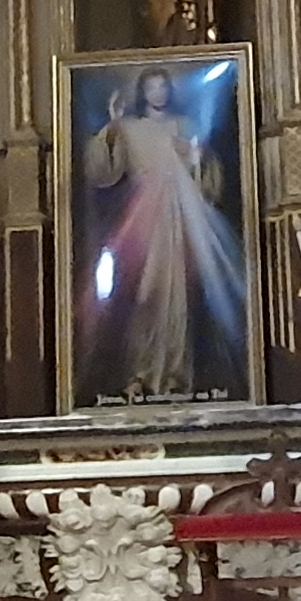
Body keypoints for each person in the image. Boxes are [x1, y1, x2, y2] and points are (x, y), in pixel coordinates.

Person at [83, 65, 244, 402]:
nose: (158, 93)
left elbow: (208, 183)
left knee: (178, 298)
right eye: (151, 87)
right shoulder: (129, 128)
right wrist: (112, 126)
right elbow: (103, 171)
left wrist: (197, 158)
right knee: (145, 296)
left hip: (180, 220)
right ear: (143, 92)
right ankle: (140, 373)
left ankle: (175, 375)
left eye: (162, 87)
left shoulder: (184, 127)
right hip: (141, 220)